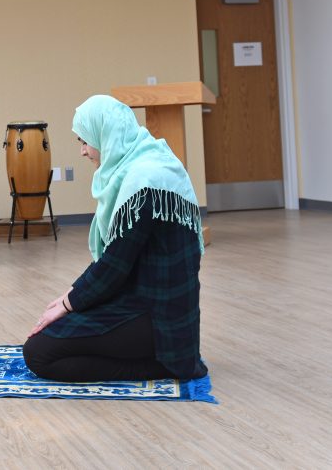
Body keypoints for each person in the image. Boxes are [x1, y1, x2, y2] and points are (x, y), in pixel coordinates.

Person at [22, 94, 207, 382]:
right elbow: (116, 261)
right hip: (164, 313)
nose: (83, 151)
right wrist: (71, 296)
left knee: (38, 353)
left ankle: (162, 367)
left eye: (85, 141)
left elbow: (114, 266)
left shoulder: (142, 181)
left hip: (155, 318)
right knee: (58, 332)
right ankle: (166, 357)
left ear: (106, 135)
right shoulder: (154, 162)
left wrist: (68, 303)